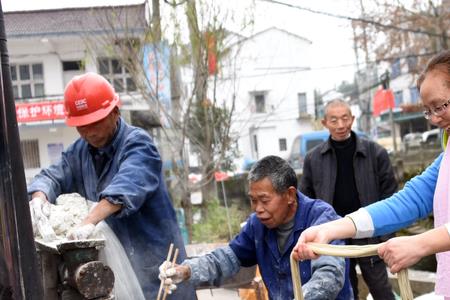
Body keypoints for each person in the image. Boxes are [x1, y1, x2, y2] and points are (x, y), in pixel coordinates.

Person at [293, 50, 450, 300]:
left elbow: (390, 189)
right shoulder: (447, 154)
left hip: (377, 243)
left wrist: (420, 244)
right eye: (428, 110)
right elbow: (411, 199)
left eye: (440, 106)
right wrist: (333, 229)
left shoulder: (374, 152)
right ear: (325, 124)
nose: (434, 119)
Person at [27, 72, 196, 299]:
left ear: (115, 112)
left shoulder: (138, 144)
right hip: (118, 273)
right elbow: (52, 176)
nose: (88, 132)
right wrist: (39, 197)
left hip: (158, 271)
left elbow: (125, 186)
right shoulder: (80, 151)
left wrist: (88, 223)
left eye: (95, 123)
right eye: (81, 126)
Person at [159, 155, 353, 300]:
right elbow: (226, 259)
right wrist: (186, 270)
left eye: (264, 200)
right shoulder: (257, 225)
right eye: (253, 200)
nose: (258, 209)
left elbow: (329, 276)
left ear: (290, 195)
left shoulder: (321, 217)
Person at [299, 99, 397, 300]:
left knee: (382, 291)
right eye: (334, 120)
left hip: (371, 234)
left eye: (345, 119)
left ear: (353, 119)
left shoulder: (375, 153)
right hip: (334, 238)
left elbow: (391, 195)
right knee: (346, 292)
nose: (341, 125)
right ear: (324, 123)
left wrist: (386, 238)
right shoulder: (313, 159)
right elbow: (306, 201)